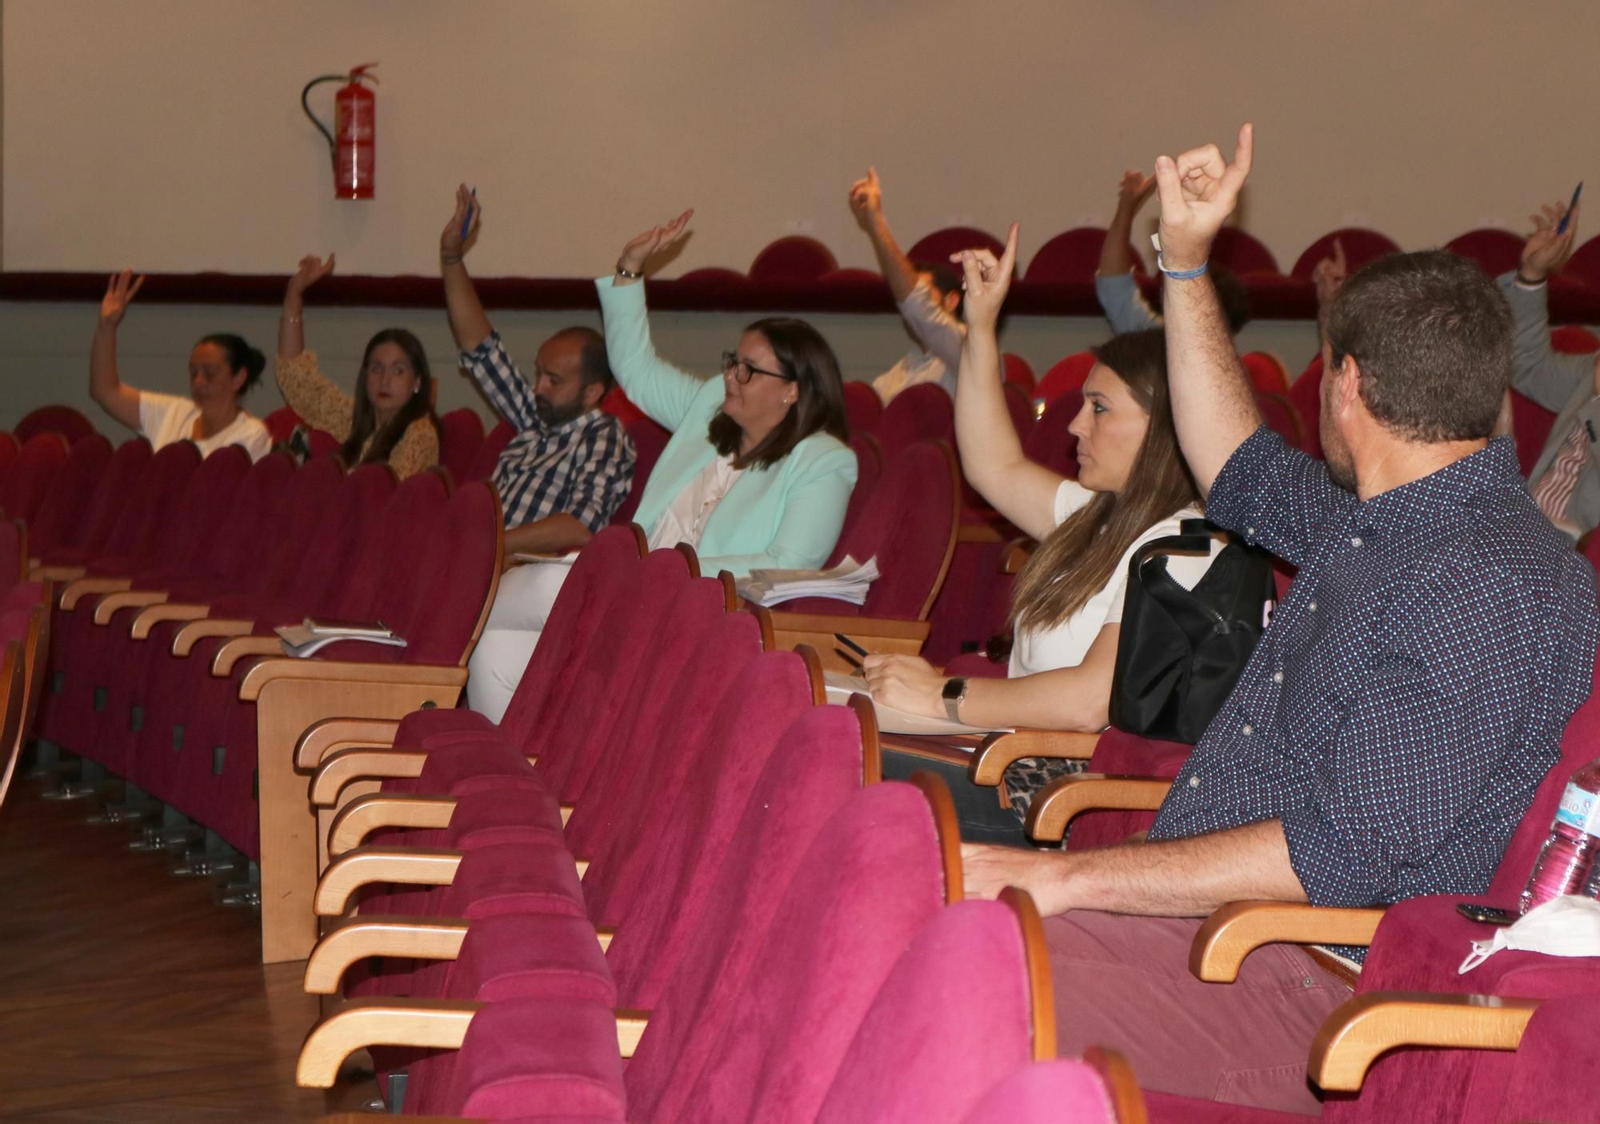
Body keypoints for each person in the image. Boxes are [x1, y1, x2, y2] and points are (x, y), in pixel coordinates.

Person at [961, 124, 1598, 1113]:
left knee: (961, 993)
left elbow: (1342, 853)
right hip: (1223, 935)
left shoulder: (1487, 582)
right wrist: (1183, 265)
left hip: (1310, 983)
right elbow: (1232, 460)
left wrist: (1074, 880)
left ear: (1346, 386)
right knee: (929, 936)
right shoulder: (1382, 516)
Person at [863, 224, 1218, 839]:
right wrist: (980, 328)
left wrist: (941, 695)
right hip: (1017, 760)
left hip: (1061, 794)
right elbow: (992, 465)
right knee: (835, 734)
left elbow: (1087, 702)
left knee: (844, 766)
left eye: (1099, 408)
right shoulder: (1099, 514)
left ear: (1165, 425)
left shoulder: (1189, 546)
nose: (1075, 425)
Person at [467, 209, 856, 722]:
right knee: (493, 651)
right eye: (732, 361)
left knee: (530, 587)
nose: (731, 376)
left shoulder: (823, 460)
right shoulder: (710, 410)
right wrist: (629, 270)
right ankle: (515, 764)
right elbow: (636, 369)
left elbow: (788, 563)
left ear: (792, 391)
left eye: (748, 370)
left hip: (695, 608)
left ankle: (446, 617)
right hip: (634, 590)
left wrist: (669, 571)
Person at [438, 185, 637, 721]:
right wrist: (452, 259)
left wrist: (493, 544)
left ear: (591, 392)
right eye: (538, 374)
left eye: (553, 379)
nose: (538, 387)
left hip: (524, 571)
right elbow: (480, 346)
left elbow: (581, 527)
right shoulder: (535, 420)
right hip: (485, 563)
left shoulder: (602, 434)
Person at [275, 254, 439, 478]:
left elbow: (384, 488)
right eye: (376, 369)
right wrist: (294, 294)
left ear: (417, 382)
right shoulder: (358, 420)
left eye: (398, 371)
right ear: (365, 375)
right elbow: (297, 378)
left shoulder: (420, 433)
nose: (385, 380)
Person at [88, 270, 272, 460]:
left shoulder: (251, 435)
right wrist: (106, 326)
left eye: (210, 372)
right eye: (193, 372)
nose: (198, 381)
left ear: (239, 377)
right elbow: (105, 392)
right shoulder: (173, 412)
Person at [1496, 195, 1597, 538]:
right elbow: (1525, 365)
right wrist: (1532, 275)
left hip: (1576, 554)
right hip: (1531, 533)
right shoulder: (1592, 369)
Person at [847, 168, 966, 403]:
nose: (905, 306)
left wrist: (876, 225)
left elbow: (918, 307)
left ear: (952, 300)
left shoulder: (969, 352)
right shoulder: (892, 377)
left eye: (923, 293)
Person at [1096, 168, 1252, 335]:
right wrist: (1126, 208)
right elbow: (1114, 285)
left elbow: (1114, 288)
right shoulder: (1156, 338)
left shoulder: (1160, 337)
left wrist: (1126, 209)